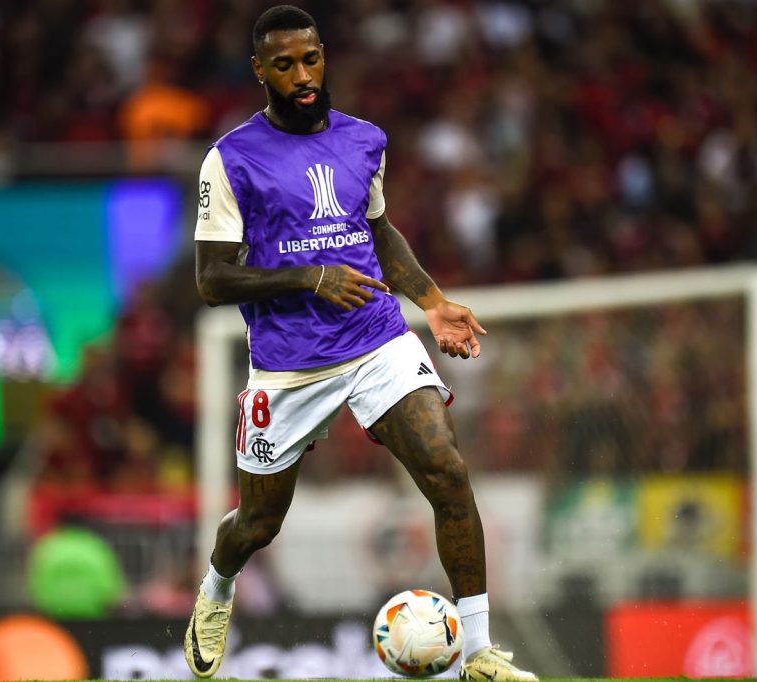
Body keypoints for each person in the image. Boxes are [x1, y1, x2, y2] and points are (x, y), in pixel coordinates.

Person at [185, 6, 537, 681]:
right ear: (260, 71)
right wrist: (309, 277)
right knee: (258, 526)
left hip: (377, 341)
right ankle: (217, 590)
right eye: (284, 64)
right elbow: (212, 278)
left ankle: (478, 655)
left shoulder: (364, 140)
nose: (302, 74)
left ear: (325, 56)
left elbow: (378, 234)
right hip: (288, 366)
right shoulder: (230, 160)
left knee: (447, 471)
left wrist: (432, 303)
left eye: (311, 58)